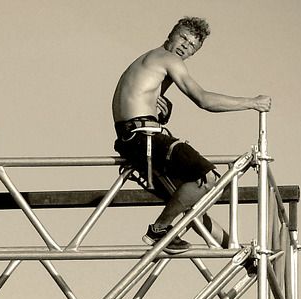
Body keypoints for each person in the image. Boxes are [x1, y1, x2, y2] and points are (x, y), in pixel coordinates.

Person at [112, 17, 272, 251]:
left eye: (192, 45)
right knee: (206, 178)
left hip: (133, 137)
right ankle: (159, 230)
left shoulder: (148, 61)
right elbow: (203, 100)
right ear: (171, 35)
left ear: (195, 52)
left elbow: (134, 100)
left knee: (191, 200)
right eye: (183, 38)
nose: (185, 46)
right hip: (142, 138)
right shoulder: (168, 59)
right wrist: (252, 103)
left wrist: (158, 114)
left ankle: (235, 252)